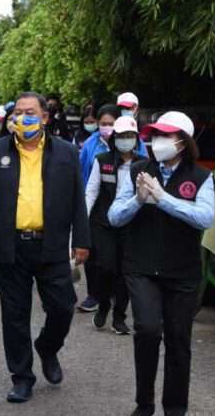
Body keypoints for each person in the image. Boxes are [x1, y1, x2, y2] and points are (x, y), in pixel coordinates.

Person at [0, 92, 90, 404]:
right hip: (11, 246)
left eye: (30, 112)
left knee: (63, 307)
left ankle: (47, 347)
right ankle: (22, 378)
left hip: (52, 245)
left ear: (45, 117)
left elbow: (78, 199)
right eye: (18, 113)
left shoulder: (66, 153)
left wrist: (82, 240)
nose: (23, 118)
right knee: (14, 315)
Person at [108, 111, 215, 416]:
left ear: (182, 142)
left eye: (165, 136)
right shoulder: (137, 171)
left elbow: (205, 218)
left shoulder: (202, 177)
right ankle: (144, 404)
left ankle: (175, 408)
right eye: (155, 135)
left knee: (178, 341)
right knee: (147, 330)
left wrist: (163, 198)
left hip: (183, 272)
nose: (157, 142)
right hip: (142, 267)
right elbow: (114, 217)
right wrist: (139, 200)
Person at [85, 116, 144, 335]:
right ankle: (103, 306)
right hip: (103, 224)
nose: (125, 140)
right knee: (105, 267)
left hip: (130, 225)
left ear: (136, 138)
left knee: (125, 272)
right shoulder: (102, 160)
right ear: (114, 138)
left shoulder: (143, 164)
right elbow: (91, 192)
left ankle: (119, 317)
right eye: (121, 136)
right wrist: (82, 222)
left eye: (130, 136)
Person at [76, 104, 119, 312]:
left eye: (111, 124)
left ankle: (114, 293)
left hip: (120, 205)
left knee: (114, 254)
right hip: (94, 203)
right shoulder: (90, 145)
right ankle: (93, 295)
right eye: (103, 123)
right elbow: (80, 172)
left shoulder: (133, 143)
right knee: (91, 251)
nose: (106, 127)